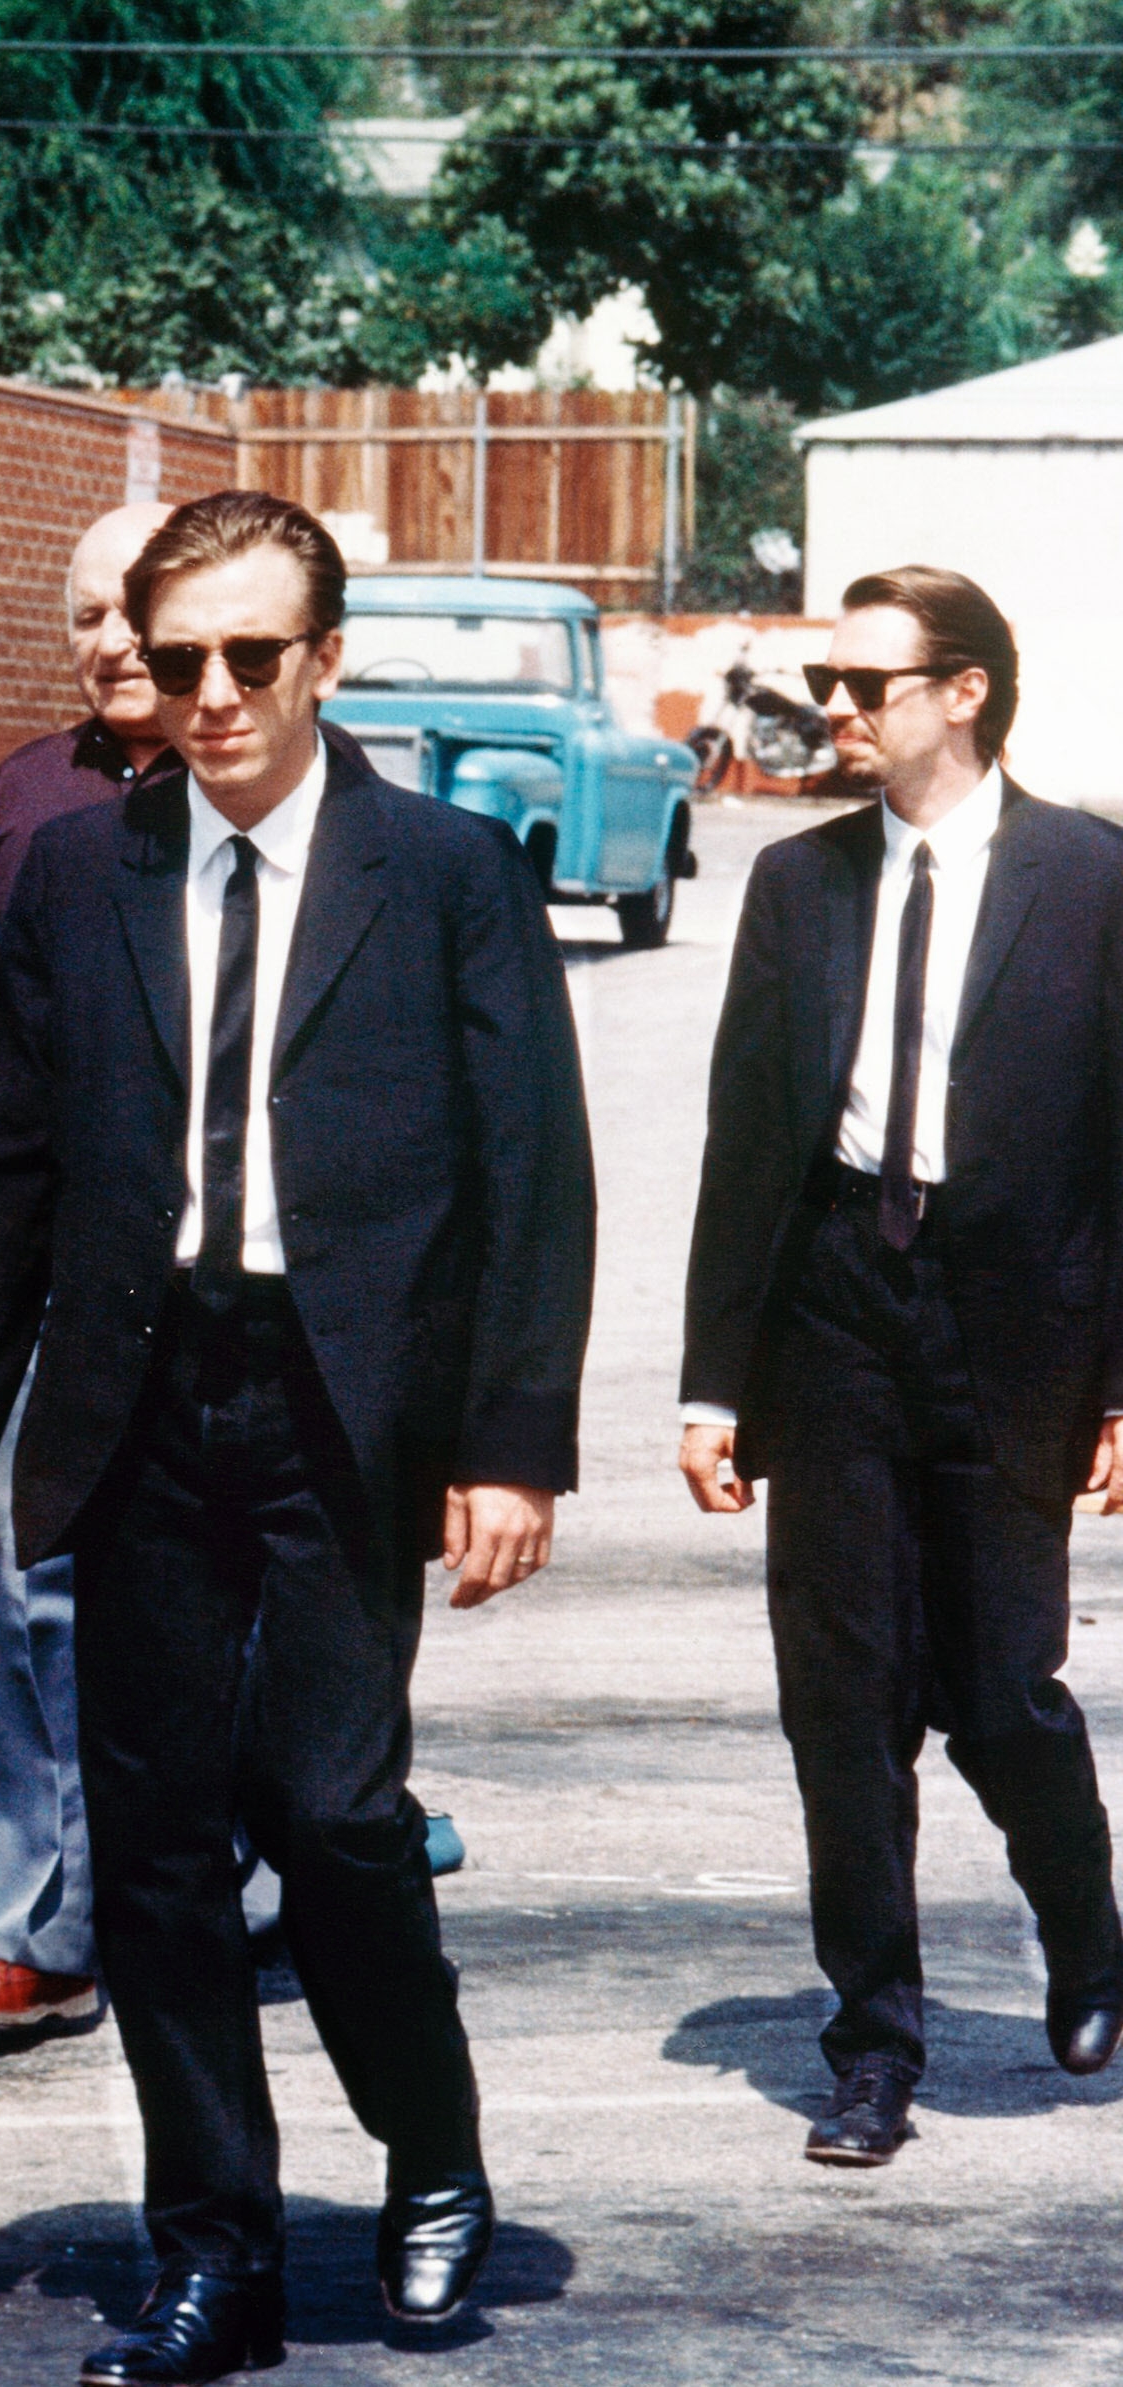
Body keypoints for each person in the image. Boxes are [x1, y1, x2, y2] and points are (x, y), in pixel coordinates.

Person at [0, 490, 593, 2383]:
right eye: (176, 656)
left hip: (338, 1412)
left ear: (327, 660)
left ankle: (432, 2163)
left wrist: (513, 1446)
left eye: (250, 658)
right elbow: (14, 1177)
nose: (207, 694)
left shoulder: (447, 871)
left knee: (339, 1817)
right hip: (138, 1408)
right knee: (150, 1849)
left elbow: (535, 1177)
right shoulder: (76, 873)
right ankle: (209, 2245)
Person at [679, 565, 1123, 2169]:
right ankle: (871, 2042)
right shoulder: (799, 889)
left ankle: (1086, 1931)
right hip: (836, 1324)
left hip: (1020, 1335)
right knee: (842, 1699)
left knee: (999, 1691)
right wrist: (714, 1381)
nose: (840, 712)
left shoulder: (1092, 880)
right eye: (832, 684)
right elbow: (746, 1142)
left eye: (872, 684)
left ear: (967, 693)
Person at [0, 499, 170, 2038]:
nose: (116, 641)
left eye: (139, 606)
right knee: (20, 1580)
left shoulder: (265, 772)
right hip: (54, 1262)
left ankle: (246, 1863)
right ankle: (26, 1922)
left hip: (217, 1265)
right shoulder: (26, 793)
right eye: (88, 615)